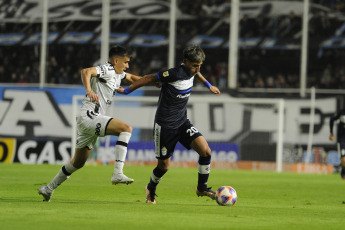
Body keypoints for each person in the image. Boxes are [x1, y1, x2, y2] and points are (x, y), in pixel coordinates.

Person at [117, 45, 221, 204]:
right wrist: (126, 91)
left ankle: (202, 188)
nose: (197, 69)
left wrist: (209, 86)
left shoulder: (193, 70)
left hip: (182, 122)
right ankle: (150, 187)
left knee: (206, 151)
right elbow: (148, 78)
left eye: (200, 65)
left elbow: (197, 73)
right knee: (164, 167)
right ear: (185, 62)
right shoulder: (173, 74)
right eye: (195, 65)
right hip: (165, 126)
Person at [38, 45, 142, 202]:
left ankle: (48, 189)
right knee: (126, 129)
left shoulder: (117, 74)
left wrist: (156, 81)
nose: (127, 66)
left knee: (77, 163)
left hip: (88, 120)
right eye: (126, 62)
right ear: (116, 60)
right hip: (90, 115)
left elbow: (134, 79)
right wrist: (89, 90)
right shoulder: (107, 69)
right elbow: (86, 71)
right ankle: (117, 173)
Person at [329, 109, 345, 179]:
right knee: (344, 159)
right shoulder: (342, 112)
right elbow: (332, 119)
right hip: (342, 139)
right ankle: (343, 170)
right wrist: (331, 133)